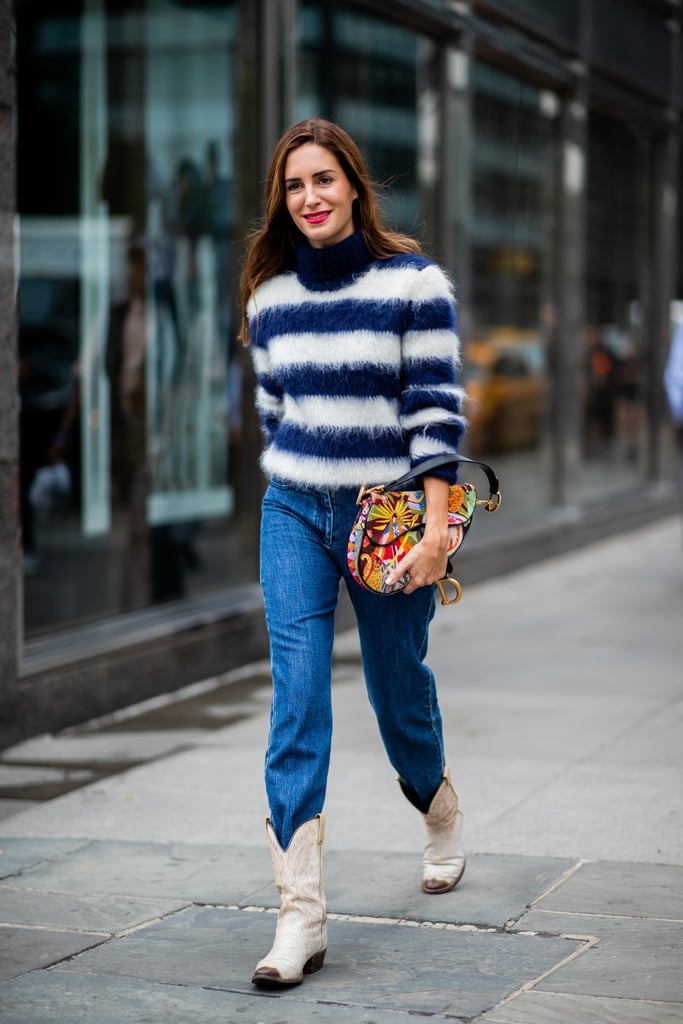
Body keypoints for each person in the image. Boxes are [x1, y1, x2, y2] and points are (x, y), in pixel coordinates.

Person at [239, 118, 466, 988]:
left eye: (324, 180)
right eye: (294, 186)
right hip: (293, 509)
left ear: (354, 186)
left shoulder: (414, 284)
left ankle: (436, 804)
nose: (310, 198)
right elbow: (273, 414)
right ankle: (300, 913)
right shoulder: (269, 296)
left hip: (392, 517)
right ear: (281, 200)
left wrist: (439, 530)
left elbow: (435, 416)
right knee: (296, 697)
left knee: (393, 684)